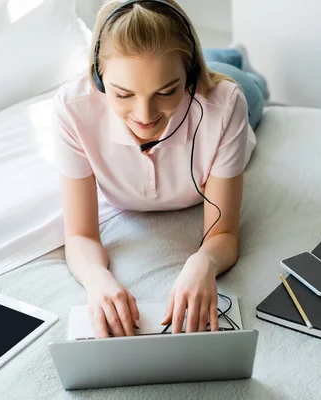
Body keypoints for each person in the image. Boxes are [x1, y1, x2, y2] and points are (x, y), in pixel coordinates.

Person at [51, 0, 268, 339]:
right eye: (123, 94)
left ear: (190, 77)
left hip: (235, 94)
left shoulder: (224, 104)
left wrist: (203, 263)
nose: (144, 115)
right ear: (98, 76)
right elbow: (79, 234)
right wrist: (96, 279)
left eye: (166, 92)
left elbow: (223, 235)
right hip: (176, 69)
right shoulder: (72, 109)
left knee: (250, 84)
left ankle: (230, 57)